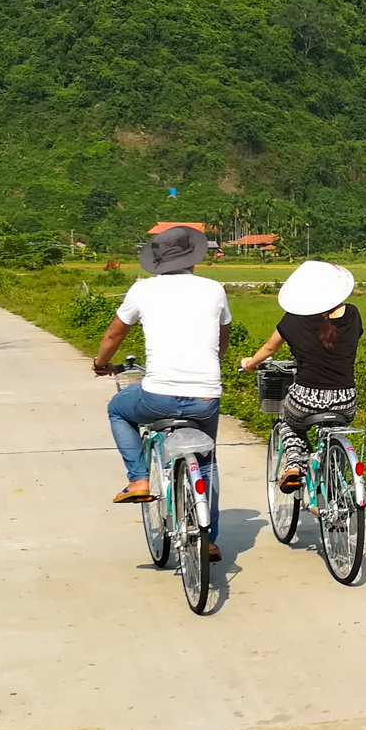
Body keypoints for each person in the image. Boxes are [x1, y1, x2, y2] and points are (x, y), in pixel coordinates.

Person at [92, 225, 231, 560]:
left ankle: (139, 478)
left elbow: (115, 335)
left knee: (118, 409)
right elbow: (223, 335)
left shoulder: (143, 290)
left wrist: (101, 363)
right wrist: (213, 362)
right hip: (206, 398)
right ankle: (207, 539)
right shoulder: (214, 289)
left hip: (157, 396)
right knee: (206, 462)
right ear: (193, 259)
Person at [239, 260, 362, 491]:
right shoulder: (353, 314)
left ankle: (295, 466)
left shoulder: (292, 319)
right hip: (346, 400)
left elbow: (269, 349)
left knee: (287, 421)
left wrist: (249, 363)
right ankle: (335, 477)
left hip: (306, 398)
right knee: (333, 429)